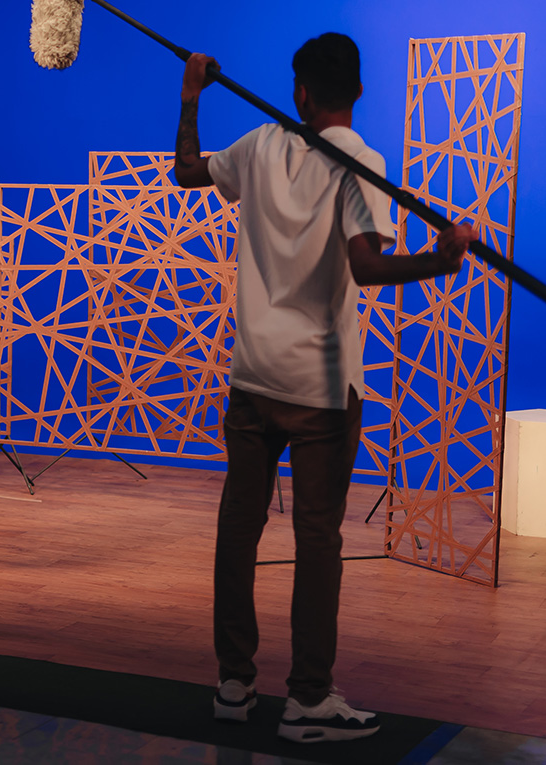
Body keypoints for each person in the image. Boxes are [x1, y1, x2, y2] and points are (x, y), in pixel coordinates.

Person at [172, 35, 476, 742]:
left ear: (300, 91)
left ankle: (233, 682)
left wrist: (191, 96)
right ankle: (308, 698)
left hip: (252, 378)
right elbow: (366, 267)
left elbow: (188, 169)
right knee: (317, 540)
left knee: (238, 529)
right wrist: (440, 258)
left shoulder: (258, 143)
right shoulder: (362, 162)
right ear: (359, 91)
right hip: (321, 389)